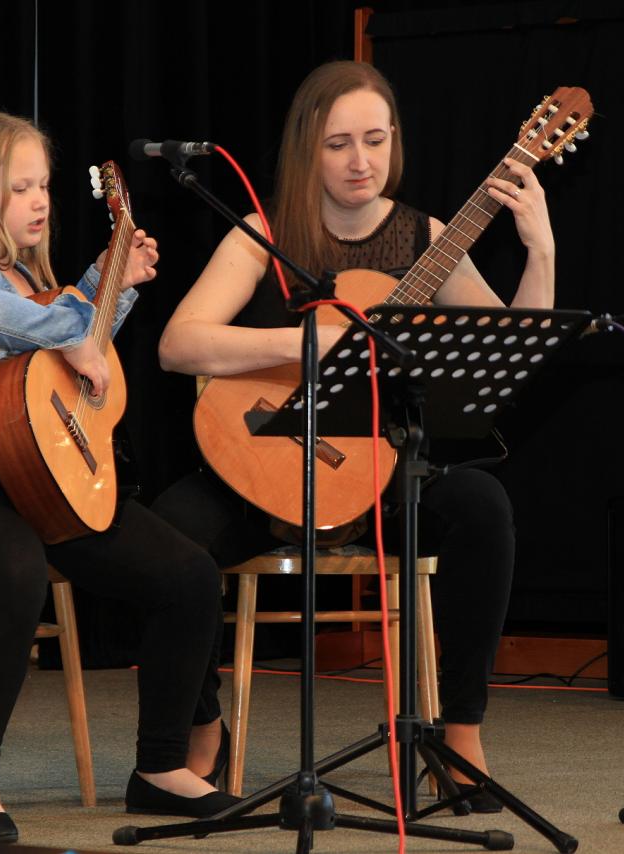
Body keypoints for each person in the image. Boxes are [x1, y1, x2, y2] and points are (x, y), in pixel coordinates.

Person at [154, 61, 556, 813]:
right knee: (171, 537)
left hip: (382, 475)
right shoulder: (264, 234)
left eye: (375, 139)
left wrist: (541, 251)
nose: (360, 161)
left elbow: (511, 350)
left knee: (483, 506)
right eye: (339, 144)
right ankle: (202, 724)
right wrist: (306, 344)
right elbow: (179, 344)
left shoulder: (428, 237)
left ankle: (461, 732)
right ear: (308, 148)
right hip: (267, 464)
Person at [0, 109, 237, 843]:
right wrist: (75, 326)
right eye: (19, 187)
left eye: (43, 185)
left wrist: (111, 285)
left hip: (41, 480)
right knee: (17, 573)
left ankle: (160, 767)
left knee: (190, 576)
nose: (40, 201)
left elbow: (61, 364)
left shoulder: (27, 275)